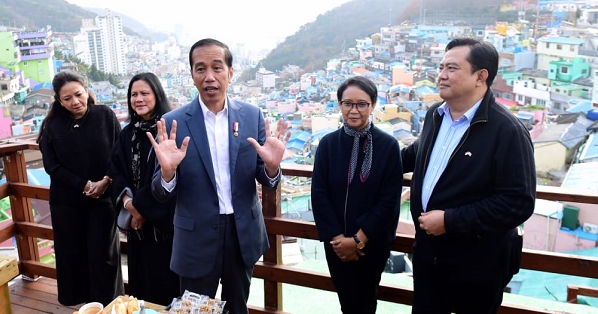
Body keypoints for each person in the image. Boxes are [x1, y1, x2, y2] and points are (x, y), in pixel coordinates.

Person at [149, 38, 291, 314]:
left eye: (217, 67)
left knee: (238, 306)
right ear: (191, 75)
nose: (209, 77)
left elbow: (265, 176)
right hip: (196, 236)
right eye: (200, 69)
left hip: (242, 234)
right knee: (195, 309)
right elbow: (159, 191)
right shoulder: (173, 123)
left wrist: (272, 168)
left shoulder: (251, 116)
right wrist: (167, 173)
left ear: (231, 72)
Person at [401, 38, 536, 314]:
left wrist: (451, 220)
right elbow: (416, 154)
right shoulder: (435, 115)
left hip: (478, 266)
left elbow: (518, 202)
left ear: (480, 76)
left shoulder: (506, 130)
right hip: (429, 257)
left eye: (452, 68)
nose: (441, 75)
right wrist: (361, 154)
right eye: (441, 67)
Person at [311, 76, 404, 314]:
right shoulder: (328, 144)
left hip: (371, 244)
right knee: (347, 302)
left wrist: (358, 240)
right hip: (336, 244)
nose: (354, 110)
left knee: (365, 301)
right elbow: (319, 194)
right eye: (347, 103)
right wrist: (338, 239)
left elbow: (389, 200)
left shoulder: (388, 146)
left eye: (361, 104)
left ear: (373, 105)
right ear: (339, 105)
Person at [37, 71, 123, 306]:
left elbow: (119, 152)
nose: (75, 102)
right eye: (67, 98)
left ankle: (109, 305)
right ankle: (82, 307)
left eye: (78, 94)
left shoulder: (104, 115)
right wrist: (83, 185)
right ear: (58, 100)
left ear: (86, 91)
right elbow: (51, 166)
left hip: (103, 199)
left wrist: (105, 180)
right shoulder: (53, 125)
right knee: (71, 255)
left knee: (103, 256)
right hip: (67, 202)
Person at [108, 72, 180, 305]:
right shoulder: (127, 133)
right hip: (137, 230)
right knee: (141, 290)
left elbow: (170, 177)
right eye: (133, 94)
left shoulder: (169, 130)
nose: (138, 99)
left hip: (165, 230)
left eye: (144, 93)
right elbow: (116, 173)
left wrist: (141, 211)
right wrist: (130, 206)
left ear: (157, 95)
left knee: (167, 289)